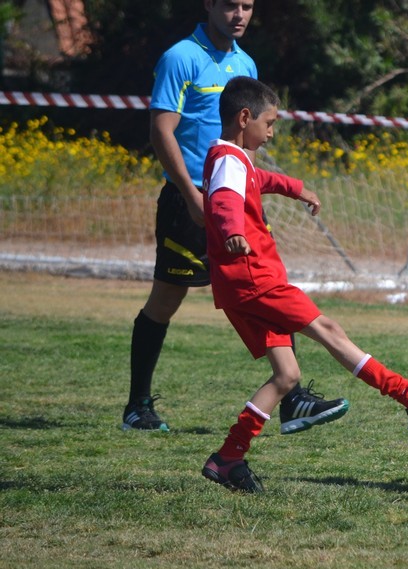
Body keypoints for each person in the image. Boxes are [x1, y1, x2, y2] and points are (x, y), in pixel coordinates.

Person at [200, 76, 408, 493]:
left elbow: (259, 181)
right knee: (329, 330)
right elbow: (224, 201)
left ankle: (229, 457)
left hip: (242, 284)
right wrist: (232, 231)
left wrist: (297, 188)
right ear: (245, 118)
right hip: (254, 278)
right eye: (269, 123)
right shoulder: (228, 160)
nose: (272, 132)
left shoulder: (232, 158)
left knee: (286, 376)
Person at [123, 0, 345, 435]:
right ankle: (137, 406)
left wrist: (258, 194)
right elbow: (161, 130)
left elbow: (248, 142)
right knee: (166, 300)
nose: (239, 14)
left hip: (238, 201)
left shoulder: (246, 63)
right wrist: (192, 196)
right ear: (209, 4)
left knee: (270, 288)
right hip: (190, 200)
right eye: (229, 5)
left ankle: (293, 399)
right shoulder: (180, 57)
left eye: (247, 6)